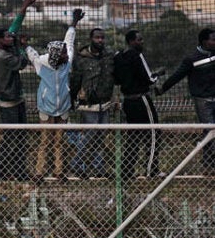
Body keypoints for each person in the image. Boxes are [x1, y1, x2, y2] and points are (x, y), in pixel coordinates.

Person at [26, 9, 82, 183]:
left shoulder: (66, 63)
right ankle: (39, 172)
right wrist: (25, 45)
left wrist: (74, 23)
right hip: (46, 108)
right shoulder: (42, 63)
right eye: (64, 53)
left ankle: (58, 172)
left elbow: (69, 41)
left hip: (63, 108)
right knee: (45, 142)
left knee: (59, 142)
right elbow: (32, 54)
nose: (67, 54)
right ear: (57, 54)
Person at [0, 0, 36, 180]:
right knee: (11, 138)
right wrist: (21, 46)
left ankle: (17, 170)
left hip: (16, 98)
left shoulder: (2, 49)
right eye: (7, 37)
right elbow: (22, 62)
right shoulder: (4, 56)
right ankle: (0, 171)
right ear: (0, 40)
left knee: (20, 137)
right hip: (9, 102)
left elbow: (14, 27)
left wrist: (24, 7)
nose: (11, 37)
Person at [157, 28, 215, 172]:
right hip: (203, 100)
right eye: (213, 39)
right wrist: (163, 88)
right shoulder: (192, 59)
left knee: (210, 132)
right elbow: (177, 76)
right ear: (204, 41)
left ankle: (208, 162)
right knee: (210, 130)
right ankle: (209, 164)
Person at [113, 30, 162, 179]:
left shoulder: (119, 57)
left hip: (128, 101)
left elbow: (117, 79)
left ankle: (126, 171)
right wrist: (158, 75)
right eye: (139, 40)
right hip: (141, 99)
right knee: (154, 133)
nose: (142, 42)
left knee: (133, 136)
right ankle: (151, 169)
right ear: (131, 41)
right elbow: (149, 78)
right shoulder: (137, 55)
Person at [70, 27, 118, 178]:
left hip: (104, 101)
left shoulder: (108, 57)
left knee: (100, 136)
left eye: (102, 38)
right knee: (90, 135)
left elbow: (113, 78)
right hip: (88, 103)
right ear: (91, 39)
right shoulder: (82, 58)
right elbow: (76, 80)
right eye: (97, 37)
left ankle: (98, 168)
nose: (100, 40)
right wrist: (72, 98)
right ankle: (77, 164)